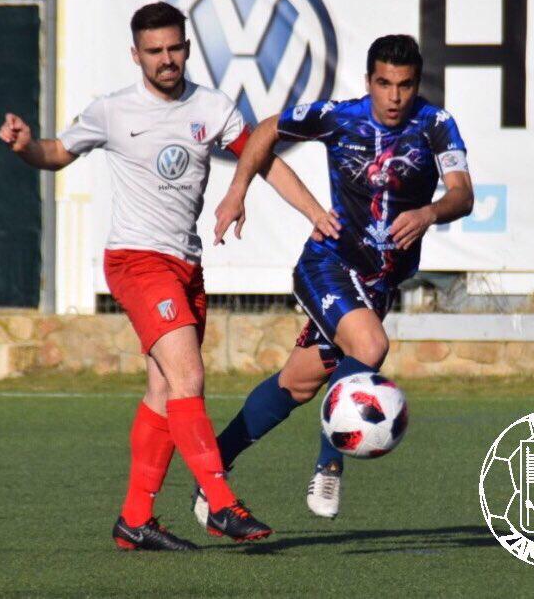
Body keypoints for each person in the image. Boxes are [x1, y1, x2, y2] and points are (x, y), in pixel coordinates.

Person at [0, 2, 326, 550]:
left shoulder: (212, 107)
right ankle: (220, 503)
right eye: (154, 51)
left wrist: (315, 214)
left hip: (185, 265)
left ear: (188, 49)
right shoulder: (113, 110)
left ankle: (135, 520)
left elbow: (262, 157)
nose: (166, 59)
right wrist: (26, 146)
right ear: (136, 55)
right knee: (188, 377)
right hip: (136, 260)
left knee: (163, 389)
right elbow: (56, 152)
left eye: (174, 48)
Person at [193, 34, 474, 522]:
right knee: (370, 345)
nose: (394, 96)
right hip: (327, 264)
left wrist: (429, 213)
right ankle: (329, 465)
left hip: (378, 284)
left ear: (416, 85)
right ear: (368, 81)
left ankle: (212, 471)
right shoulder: (339, 116)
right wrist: (238, 191)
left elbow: (463, 194)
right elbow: (267, 129)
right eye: (384, 83)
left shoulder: (435, 125)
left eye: (405, 85)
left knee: (297, 384)